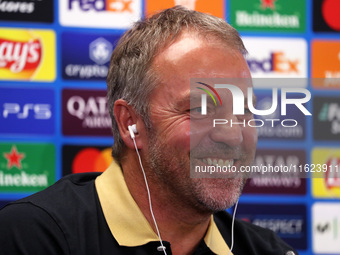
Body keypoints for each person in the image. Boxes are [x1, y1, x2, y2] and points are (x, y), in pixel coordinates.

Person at [0, 6, 297, 255]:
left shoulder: (270, 250)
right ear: (131, 124)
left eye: (245, 110)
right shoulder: (33, 236)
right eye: (200, 109)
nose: (232, 135)